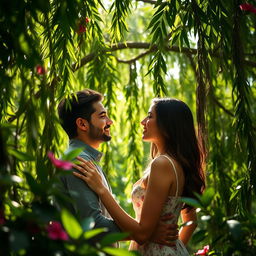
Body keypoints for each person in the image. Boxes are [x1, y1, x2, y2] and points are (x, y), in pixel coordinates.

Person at [73, 97, 206, 255]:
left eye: (150, 116)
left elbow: (142, 234)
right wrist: (173, 249)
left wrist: (101, 189)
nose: (143, 121)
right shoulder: (174, 163)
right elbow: (191, 223)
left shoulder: (162, 164)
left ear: (167, 124)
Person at [57, 89, 178, 245]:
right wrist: (144, 232)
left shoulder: (86, 160)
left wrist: (141, 230)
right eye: (102, 116)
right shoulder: (78, 162)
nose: (110, 121)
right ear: (82, 124)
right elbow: (94, 226)